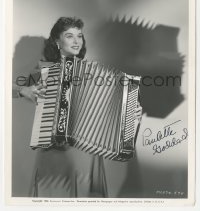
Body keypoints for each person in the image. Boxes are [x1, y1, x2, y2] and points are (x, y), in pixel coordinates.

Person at [12, 16, 143, 197]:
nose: (76, 41)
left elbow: (106, 119)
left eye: (79, 36)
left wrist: (131, 116)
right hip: (52, 160)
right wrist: (23, 90)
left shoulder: (93, 75)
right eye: (69, 36)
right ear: (56, 40)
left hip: (88, 162)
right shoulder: (42, 69)